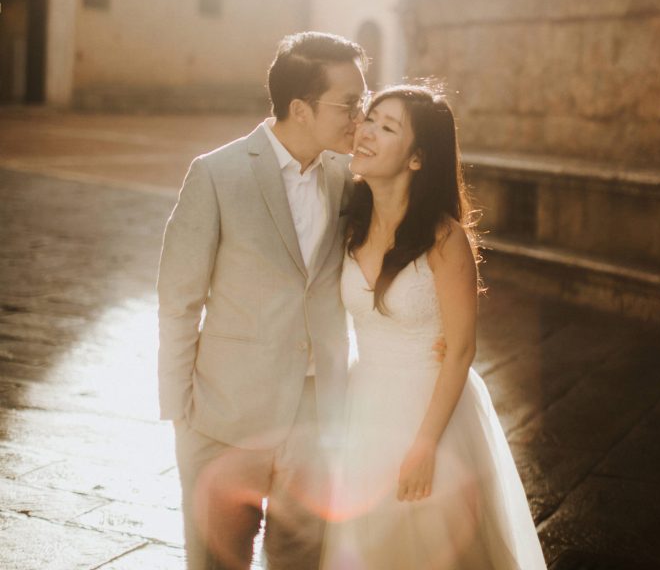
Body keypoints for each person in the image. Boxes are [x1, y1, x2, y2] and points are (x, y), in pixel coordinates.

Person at [157, 31, 368, 570]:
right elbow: (179, 300)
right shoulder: (216, 174)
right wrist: (181, 413)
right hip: (227, 415)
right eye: (350, 103)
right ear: (300, 108)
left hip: (319, 416)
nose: (359, 116)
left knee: (301, 561)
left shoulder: (350, 179)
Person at [321, 84, 547, 570]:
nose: (367, 133)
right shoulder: (350, 219)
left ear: (418, 158)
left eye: (388, 127)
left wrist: (424, 446)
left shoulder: (446, 239)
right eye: (370, 119)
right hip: (362, 409)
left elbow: (462, 349)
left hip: (429, 412)